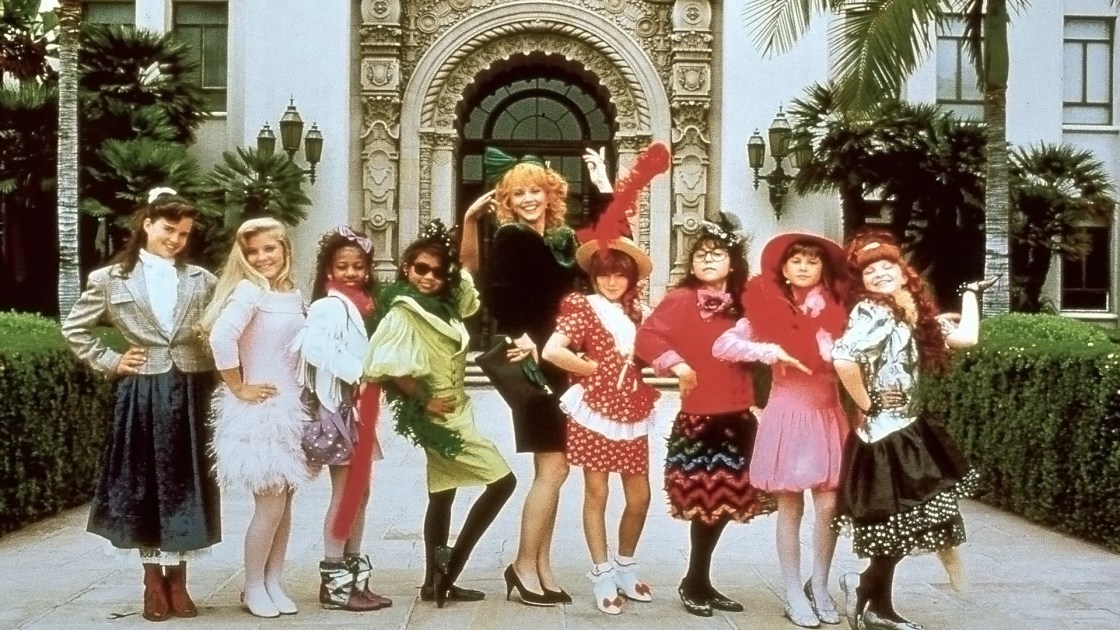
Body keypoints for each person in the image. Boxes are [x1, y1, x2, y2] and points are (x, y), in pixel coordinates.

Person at [61, 188, 220, 622]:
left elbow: (223, 328)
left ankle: (179, 580)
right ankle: (153, 582)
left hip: (191, 389)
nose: (175, 240)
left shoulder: (202, 280)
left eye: (184, 234)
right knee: (145, 482)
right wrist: (111, 360)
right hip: (141, 392)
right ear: (147, 224)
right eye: (168, 229)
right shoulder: (111, 279)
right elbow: (74, 328)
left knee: (188, 483)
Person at [463, 147, 611, 605]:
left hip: (558, 362)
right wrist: (520, 335)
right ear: (507, 201)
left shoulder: (557, 240)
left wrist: (602, 183)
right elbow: (496, 293)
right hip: (535, 363)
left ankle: (542, 566)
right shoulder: (512, 237)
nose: (528, 199)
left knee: (553, 469)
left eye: (536, 190)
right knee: (555, 467)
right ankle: (523, 565)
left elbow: (606, 241)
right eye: (518, 193)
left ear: (551, 195)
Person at [830, 229, 988, 630]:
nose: (880, 274)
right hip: (885, 433)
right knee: (903, 520)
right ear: (863, 282)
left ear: (904, 273)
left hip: (907, 427)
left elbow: (966, 338)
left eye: (887, 266)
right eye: (870, 271)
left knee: (906, 521)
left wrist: (969, 293)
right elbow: (843, 358)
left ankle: (874, 602)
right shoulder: (874, 311)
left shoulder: (909, 312)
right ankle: (871, 597)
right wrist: (867, 402)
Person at [364, 220, 516, 609]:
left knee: (443, 495)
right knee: (503, 482)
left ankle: (433, 582)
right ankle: (450, 570)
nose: (429, 277)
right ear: (406, 268)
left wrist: (471, 222)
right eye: (421, 269)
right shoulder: (404, 311)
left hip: (458, 407)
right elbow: (387, 364)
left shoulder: (445, 305)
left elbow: (467, 268)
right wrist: (423, 400)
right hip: (440, 416)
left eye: (437, 271)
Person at [634, 216, 774, 618]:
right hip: (702, 417)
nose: (708, 259)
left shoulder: (747, 301)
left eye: (717, 253)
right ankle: (694, 580)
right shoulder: (682, 299)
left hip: (740, 414)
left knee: (728, 503)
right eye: (700, 255)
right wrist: (677, 365)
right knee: (708, 504)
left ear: (733, 261)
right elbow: (647, 336)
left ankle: (699, 579)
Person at [713, 233, 851, 627]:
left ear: (823, 268)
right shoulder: (767, 310)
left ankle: (819, 584)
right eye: (797, 261)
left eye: (812, 260)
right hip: (787, 415)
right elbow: (723, 345)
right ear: (785, 269)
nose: (804, 267)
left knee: (829, 505)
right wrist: (771, 351)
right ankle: (792, 590)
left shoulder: (839, 309)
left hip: (827, 414)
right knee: (790, 505)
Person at [541, 237, 659, 615]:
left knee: (640, 497)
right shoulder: (584, 307)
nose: (611, 282)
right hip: (595, 408)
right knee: (598, 492)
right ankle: (602, 573)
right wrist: (590, 368)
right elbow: (552, 350)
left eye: (619, 275)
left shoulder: (638, 312)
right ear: (593, 276)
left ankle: (625, 565)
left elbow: (662, 347)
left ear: (631, 278)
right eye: (604, 274)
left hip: (632, 407)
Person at [201, 217, 311, 618]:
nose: (262, 257)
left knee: (285, 504)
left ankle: (273, 580)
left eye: (270, 248)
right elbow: (220, 336)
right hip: (261, 413)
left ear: (285, 249)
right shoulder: (249, 291)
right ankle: (252, 585)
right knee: (269, 505)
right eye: (253, 251)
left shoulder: (293, 294)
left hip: (293, 410)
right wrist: (239, 386)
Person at [292, 227, 391, 612]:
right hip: (337, 409)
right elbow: (315, 349)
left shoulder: (358, 305)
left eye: (358, 266)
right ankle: (335, 581)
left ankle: (352, 578)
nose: (351, 273)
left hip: (355, 409)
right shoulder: (328, 306)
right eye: (343, 266)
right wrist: (358, 373)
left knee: (360, 493)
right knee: (348, 494)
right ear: (329, 270)